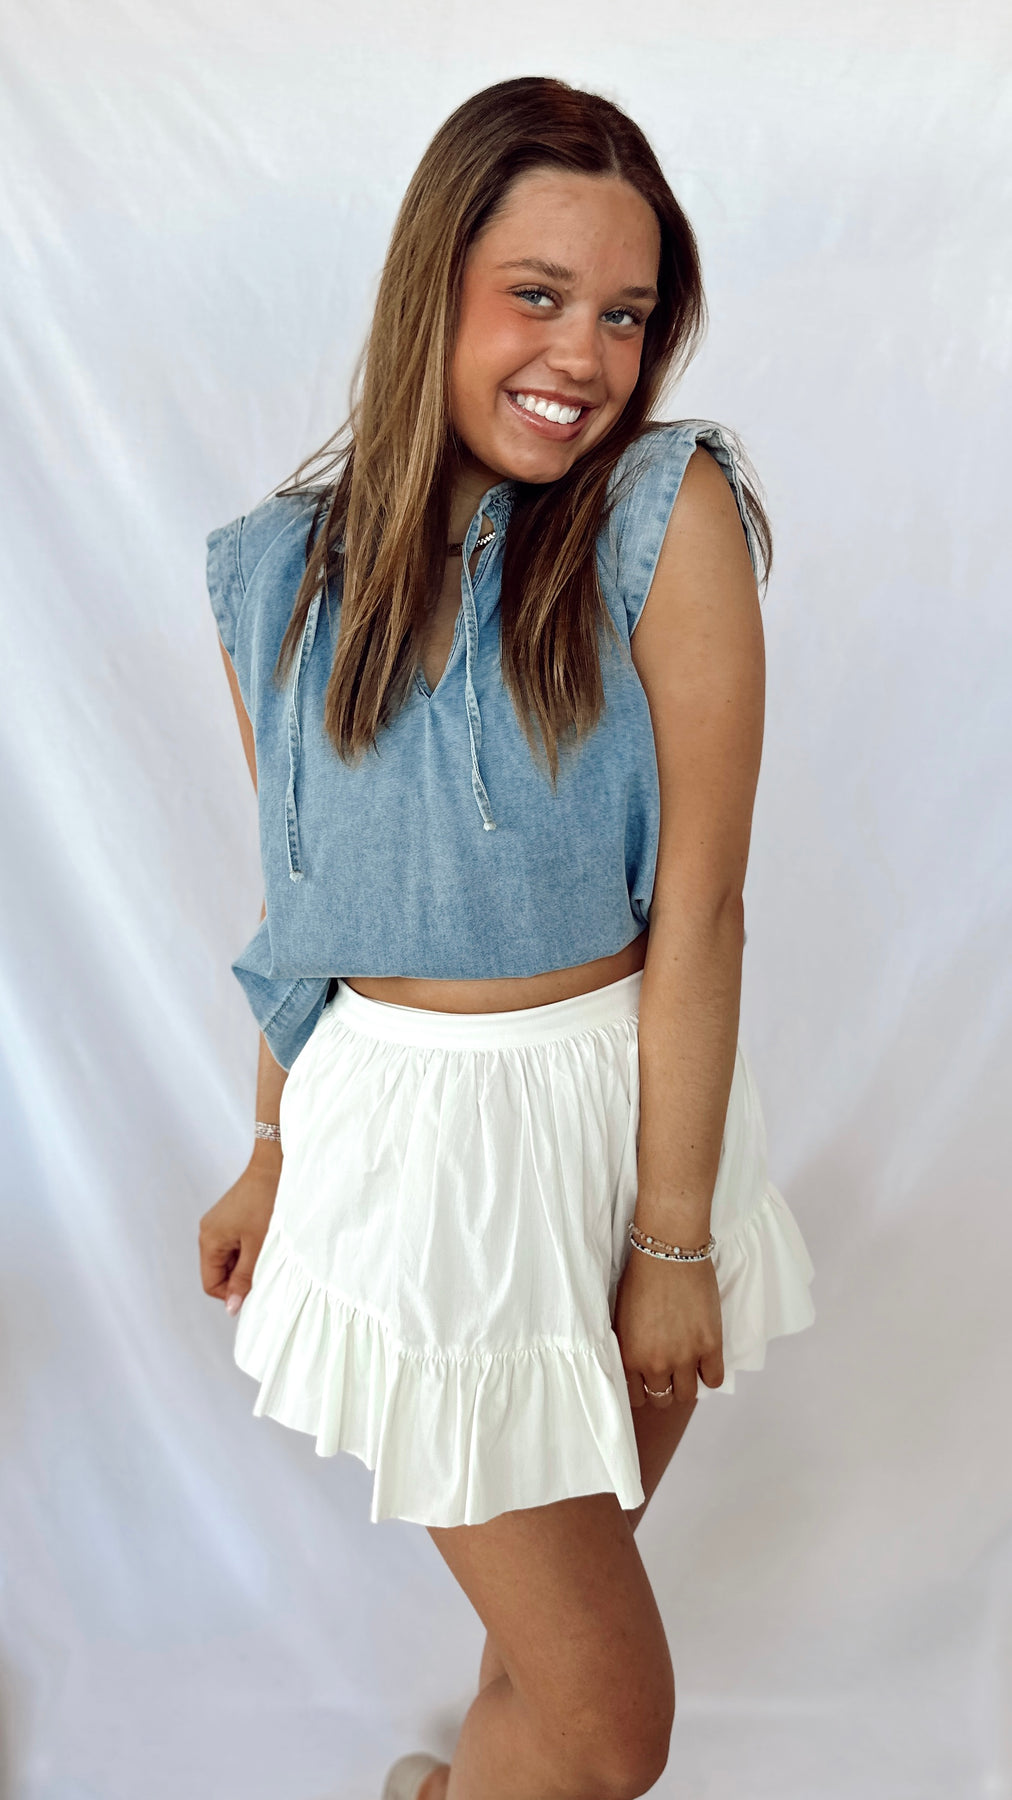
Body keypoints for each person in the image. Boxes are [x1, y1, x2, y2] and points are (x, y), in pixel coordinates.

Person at [198, 74, 816, 1800]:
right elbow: (302, 913)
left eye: (625, 314)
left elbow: (702, 906)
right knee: (612, 1729)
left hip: (627, 1126)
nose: (585, 357)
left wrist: (671, 1235)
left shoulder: (661, 515)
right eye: (537, 295)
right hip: (414, 1168)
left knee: (545, 1672)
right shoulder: (277, 575)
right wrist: (269, 1147)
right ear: (436, 287)